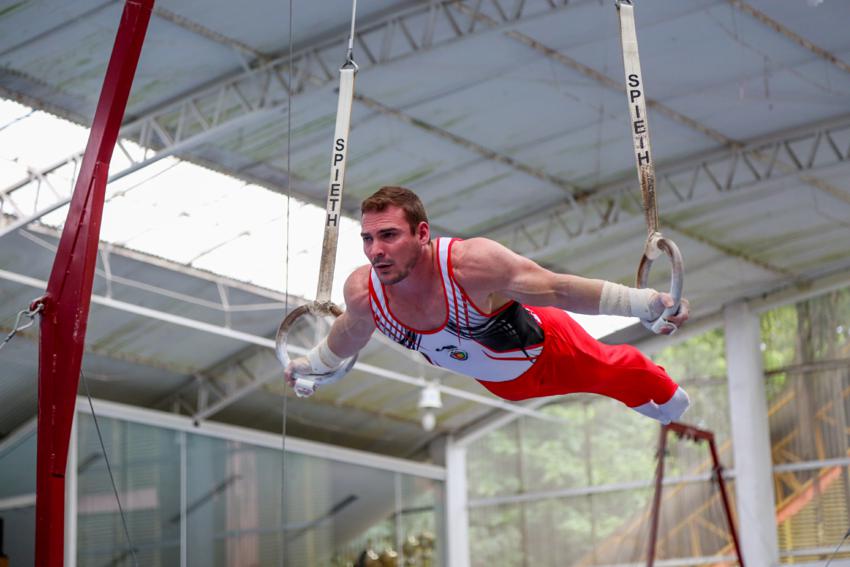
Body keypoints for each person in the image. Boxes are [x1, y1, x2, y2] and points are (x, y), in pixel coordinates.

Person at [285, 186, 690, 423]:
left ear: (422, 233)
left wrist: (646, 303)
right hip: (501, 382)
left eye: (389, 236)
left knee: (610, 370)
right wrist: (312, 365)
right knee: (606, 381)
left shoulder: (470, 265)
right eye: (368, 239)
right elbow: (348, 334)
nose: (376, 251)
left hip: (549, 348)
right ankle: (641, 393)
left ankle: (663, 392)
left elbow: (559, 288)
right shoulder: (363, 294)